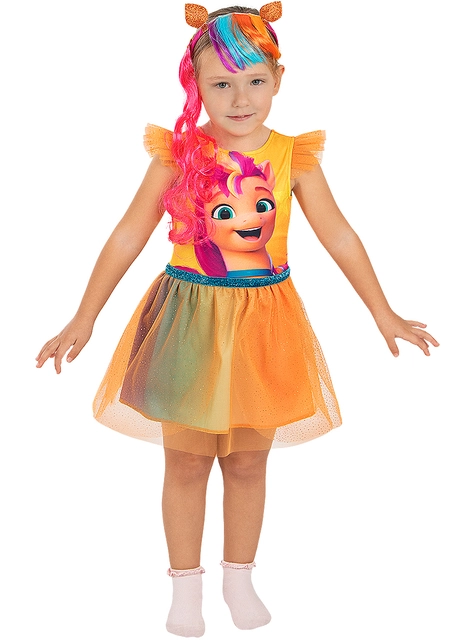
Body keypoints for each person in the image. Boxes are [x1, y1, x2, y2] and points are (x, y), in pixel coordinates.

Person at [35, 2, 439, 638]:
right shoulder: (179, 155)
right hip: (188, 320)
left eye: (255, 80)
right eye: (221, 83)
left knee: (249, 463)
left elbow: (338, 234)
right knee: (186, 462)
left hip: (264, 326)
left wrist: (381, 311)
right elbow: (129, 233)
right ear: (195, 84)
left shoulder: (292, 158)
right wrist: (83, 317)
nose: (240, 98)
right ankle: (185, 585)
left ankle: (239, 577)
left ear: (279, 80)